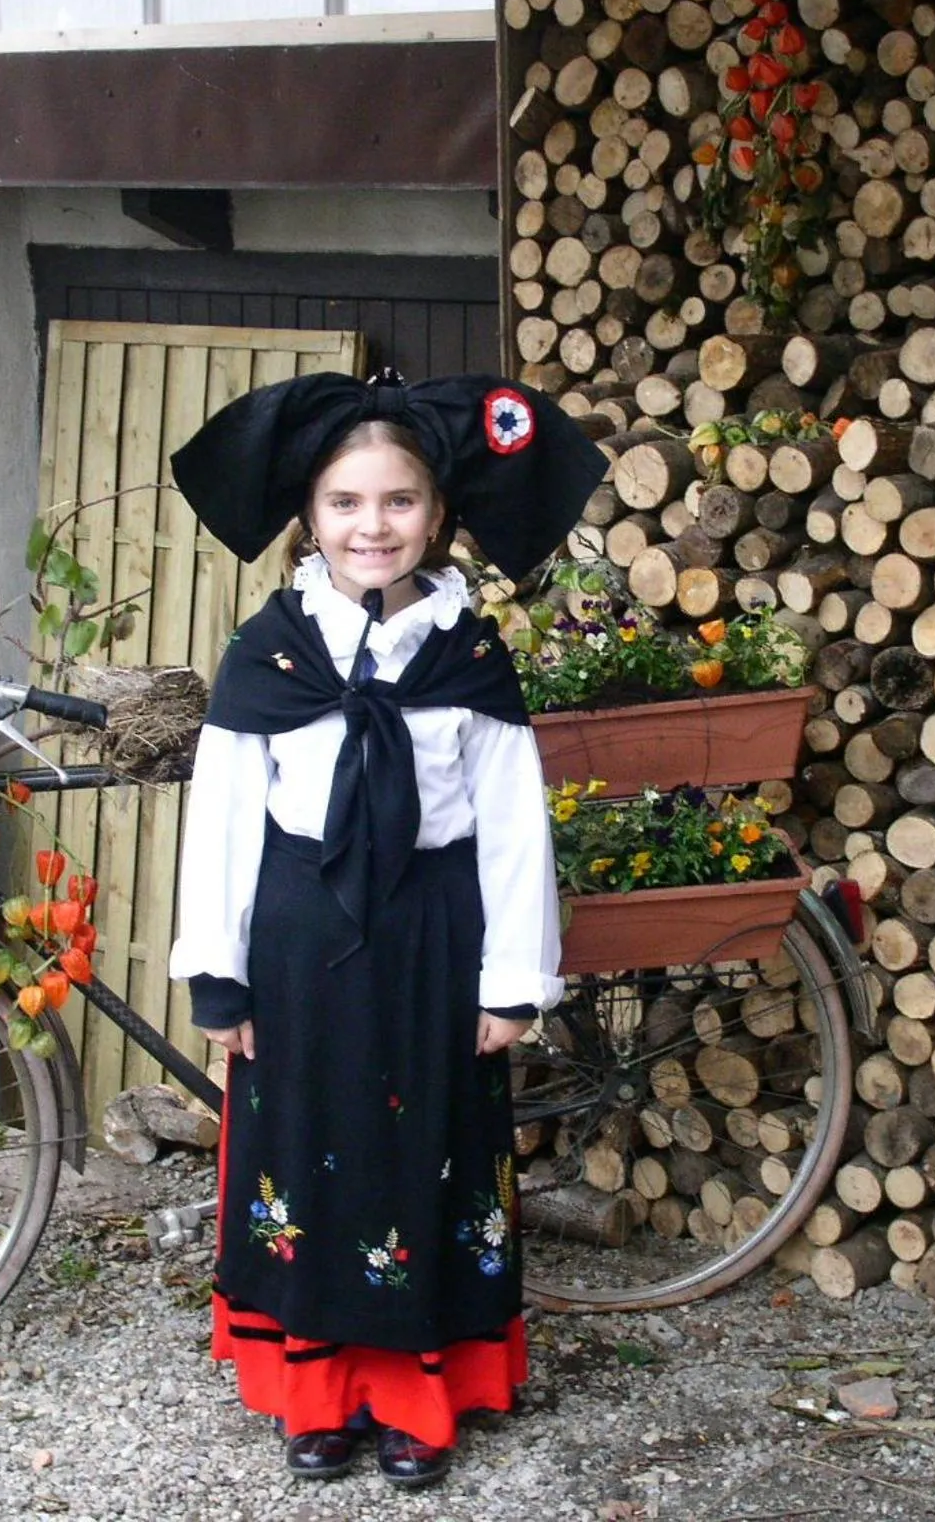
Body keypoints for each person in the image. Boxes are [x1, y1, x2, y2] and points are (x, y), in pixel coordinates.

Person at [164, 370, 607, 1488]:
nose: (373, 526)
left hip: (433, 943)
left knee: (428, 1158)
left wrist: (513, 981)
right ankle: (310, 1394)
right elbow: (222, 819)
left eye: (398, 502)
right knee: (307, 1160)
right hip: (298, 947)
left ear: (439, 513)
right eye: (347, 503)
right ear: (308, 518)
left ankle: (420, 1393)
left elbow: (511, 825)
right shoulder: (266, 654)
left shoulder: (468, 657)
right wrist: (218, 976)